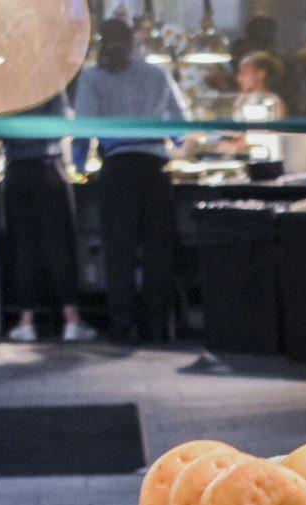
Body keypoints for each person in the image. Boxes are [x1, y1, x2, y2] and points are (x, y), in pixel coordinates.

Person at [73, 18, 190, 344]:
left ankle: (123, 327)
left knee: (119, 253)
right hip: (154, 171)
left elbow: (83, 129)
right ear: (134, 41)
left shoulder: (92, 77)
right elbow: (181, 124)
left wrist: (80, 165)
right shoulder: (157, 73)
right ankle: (157, 327)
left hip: (117, 170)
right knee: (157, 252)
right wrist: (175, 144)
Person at [4, 93, 97, 343]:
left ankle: (26, 323)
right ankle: (72, 321)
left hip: (15, 170)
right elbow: (63, 125)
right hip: (48, 166)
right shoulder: (48, 83)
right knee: (59, 244)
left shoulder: (5, 85)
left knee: (23, 247)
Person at [235, 51, 288, 120]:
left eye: (245, 73)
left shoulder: (272, 102)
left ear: (261, 74)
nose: (239, 78)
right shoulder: (240, 100)